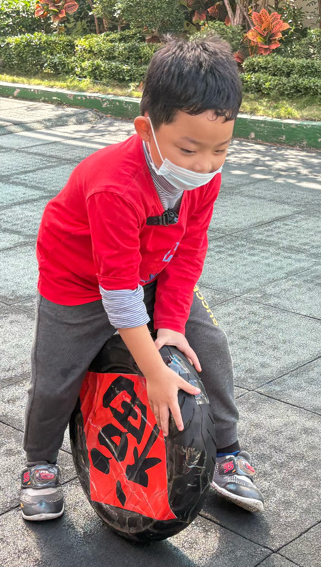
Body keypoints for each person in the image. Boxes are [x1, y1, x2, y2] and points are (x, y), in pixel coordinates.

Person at [20, 38, 265, 521]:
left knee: (209, 346)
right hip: (79, 283)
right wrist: (154, 370)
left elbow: (189, 250)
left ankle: (227, 452)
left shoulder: (204, 177)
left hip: (153, 271)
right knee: (56, 378)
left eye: (221, 149)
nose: (204, 164)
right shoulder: (115, 185)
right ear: (146, 130)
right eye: (189, 149)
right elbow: (118, 293)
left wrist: (171, 324)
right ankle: (39, 463)